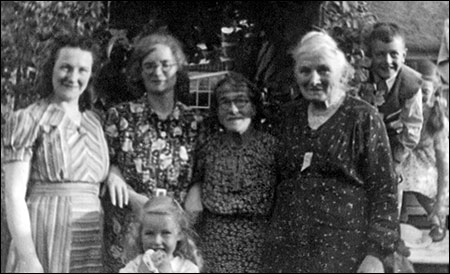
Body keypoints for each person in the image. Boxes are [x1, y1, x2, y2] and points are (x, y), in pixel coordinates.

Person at [264, 31, 400, 273]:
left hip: (344, 254)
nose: (314, 79)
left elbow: (384, 193)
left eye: (323, 70)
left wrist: (375, 256)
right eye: (305, 71)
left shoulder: (362, 117)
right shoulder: (287, 117)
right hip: (288, 252)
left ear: (339, 72)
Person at [2, 35, 109, 273]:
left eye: (82, 70)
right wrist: (28, 258)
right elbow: (13, 195)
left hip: (90, 237)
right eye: (65, 67)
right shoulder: (29, 119)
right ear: (51, 68)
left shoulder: (94, 122)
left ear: (90, 75)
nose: (73, 77)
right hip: (46, 233)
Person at [102, 31, 205, 272]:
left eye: (165, 64)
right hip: (131, 231)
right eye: (149, 65)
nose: (157, 72)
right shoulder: (120, 116)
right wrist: (117, 180)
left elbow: (201, 174)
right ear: (139, 71)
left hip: (172, 236)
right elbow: (105, 164)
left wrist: (192, 200)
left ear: (178, 68)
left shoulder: (194, 121)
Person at [185, 72, 278, 272]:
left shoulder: (272, 147)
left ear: (254, 107)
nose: (233, 109)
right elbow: (195, 191)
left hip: (259, 244)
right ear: (217, 110)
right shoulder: (207, 147)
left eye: (241, 101)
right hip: (214, 243)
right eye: (225, 102)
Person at [399, 59, 449, 242]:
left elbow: (444, 162)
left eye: (425, 93)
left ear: (434, 92)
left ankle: (437, 220)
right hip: (405, 158)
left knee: (418, 181)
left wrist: (441, 201)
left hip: (427, 164)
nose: (418, 99)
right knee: (395, 177)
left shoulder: (437, 119)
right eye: (414, 93)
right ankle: (398, 220)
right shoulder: (402, 110)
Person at [361, 22, 423, 168]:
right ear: (371, 55)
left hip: (392, 144)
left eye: (393, 54)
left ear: (403, 55)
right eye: (380, 54)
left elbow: (412, 127)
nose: (387, 61)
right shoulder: (359, 76)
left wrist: (395, 160)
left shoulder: (411, 84)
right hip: (359, 142)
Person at [119, 196, 202, 273]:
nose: (157, 241)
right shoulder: (135, 265)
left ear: (179, 234)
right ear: (140, 234)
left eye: (166, 233)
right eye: (149, 233)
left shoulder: (188, 268)